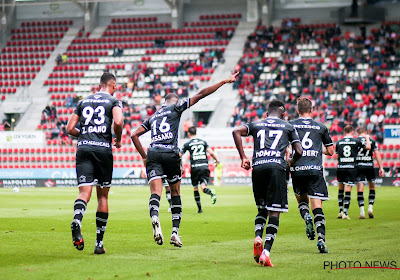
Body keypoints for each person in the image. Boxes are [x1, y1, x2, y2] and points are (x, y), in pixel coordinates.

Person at [131, 72, 238, 248]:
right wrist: (223, 81)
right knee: (175, 193)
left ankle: (155, 216)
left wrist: (144, 156)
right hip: (171, 153)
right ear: (176, 101)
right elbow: (202, 93)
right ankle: (174, 233)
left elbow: (134, 135)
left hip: (154, 152)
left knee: (155, 193)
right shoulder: (176, 107)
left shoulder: (154, 116)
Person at [232, 100, 303, 267]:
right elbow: (299, 151)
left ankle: (258, 236)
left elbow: (236, 131)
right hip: (276, 168)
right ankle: (266, 253)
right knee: (274, 212)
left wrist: (243, 157)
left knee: (261, 208)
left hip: (258, 167)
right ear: (283, 114)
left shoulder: (257, 124)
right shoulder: (288, 126)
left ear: (267, 113)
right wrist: (290, 163)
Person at [66, 73, 123, 254]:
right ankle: (99, 243)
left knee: (84, 192)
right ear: (112, 85)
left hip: (83, 148)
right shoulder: (114, 101)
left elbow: (69, 128)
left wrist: (84, 135)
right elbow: (119, 121)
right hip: (102, 150)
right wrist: (118, 139)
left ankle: (77, 219)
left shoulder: (83, 101)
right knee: (103, 197)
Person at [289, 97, 334, 253]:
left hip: (297, 169)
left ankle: (306, 216)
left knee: (302, 201)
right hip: (315, 170)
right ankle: (321, 239)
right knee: (318, 207)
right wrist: (316, 148)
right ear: (312, 110)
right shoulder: (321, 127)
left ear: (298, 110)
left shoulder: (291, 125)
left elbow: (286, 148)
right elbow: (330, 151)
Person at [181, 126, 219, 213]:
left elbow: (180, 156)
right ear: (196, 132)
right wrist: (216, 160)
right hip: (205, 166)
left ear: (188, 134)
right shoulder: (203, 142)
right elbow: (211, 153)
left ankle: (200, 209)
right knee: (203, 187)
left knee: (195, 188)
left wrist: (181, 167)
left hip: (195, 167)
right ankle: (210, 192)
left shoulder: (187, 144)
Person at [336, 125, 370, 220]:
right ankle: (345, 213)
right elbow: (367, 147)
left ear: (344, 131)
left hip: (340, 167)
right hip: (351, 167)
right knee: (348, 190)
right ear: (352, 131)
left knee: (340, 189)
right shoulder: (356, 141)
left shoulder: (339, 142)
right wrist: (367, 138)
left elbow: (337, 155)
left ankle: (340, 211)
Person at [355, 127, 384, 219]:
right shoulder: (371, 140)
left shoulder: (355, 141)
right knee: (372, 187)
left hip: (359, 166)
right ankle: (370, 208)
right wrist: (381, 167)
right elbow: (377, 154)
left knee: (360, 189)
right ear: (365, 132)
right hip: (369, 166)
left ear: (358, 133)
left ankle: (362, 211)